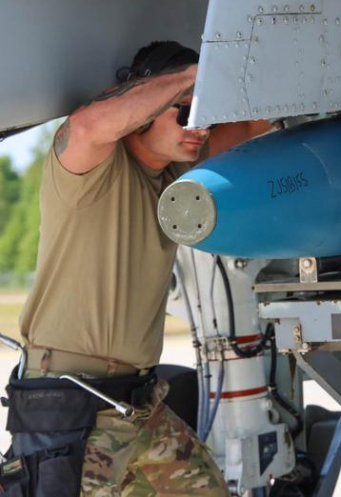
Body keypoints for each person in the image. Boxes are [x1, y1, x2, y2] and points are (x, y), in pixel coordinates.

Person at [2, 41, 273, 496]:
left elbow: (255, 127)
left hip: (140, 406)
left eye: (206, 114)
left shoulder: (176, 175)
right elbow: (89, 124)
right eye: (186, 113)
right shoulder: (89, 168)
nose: (199, 127)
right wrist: (196, 74)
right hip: (71, 405)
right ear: (145, 109)